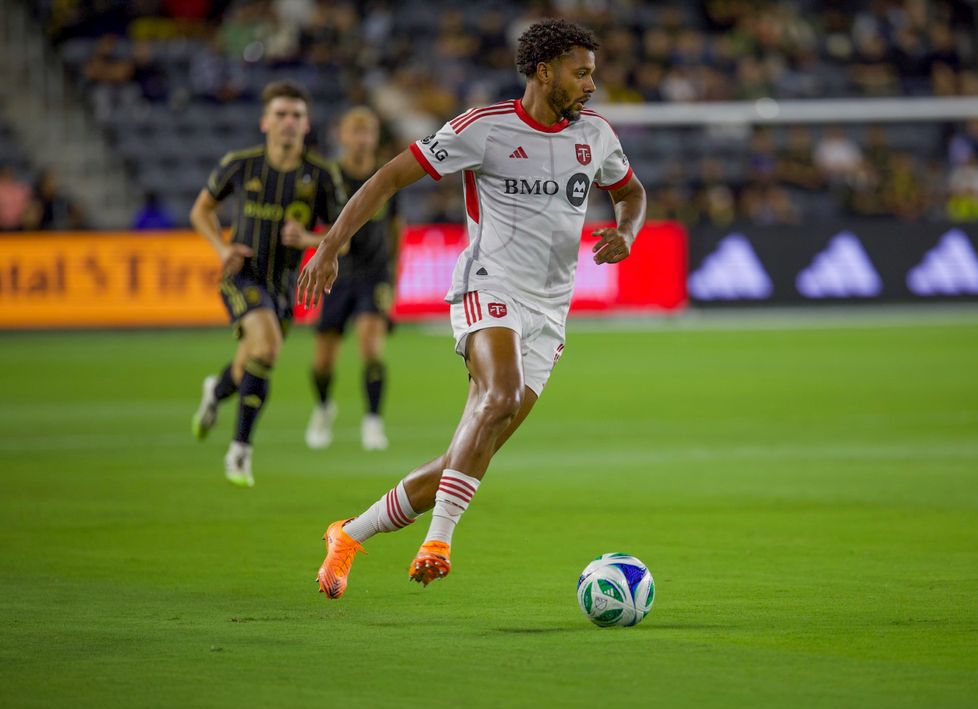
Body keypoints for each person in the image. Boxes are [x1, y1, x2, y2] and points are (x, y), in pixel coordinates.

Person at [298, 18, 646, 598]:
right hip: (490, 286)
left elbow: (630, 191)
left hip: (550, 311)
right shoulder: (484, 128)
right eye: (580, 72)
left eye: (593, 73)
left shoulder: (598, 136)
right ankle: (438, 542)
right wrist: (329, 245)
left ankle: (349, 534)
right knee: (500, 396)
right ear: (544, 71)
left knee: (466, 454)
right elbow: (387, 179)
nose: (590, 84)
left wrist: (628, 231)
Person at [189, 80, 346, 486]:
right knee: (268, 346)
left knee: (252, 362)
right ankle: (240, 451)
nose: (288, 122)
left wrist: (311, 240)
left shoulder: (322, 175)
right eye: (280, 114)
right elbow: (201, 211)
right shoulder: (241, 164)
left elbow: (342, 240)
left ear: (307, 124)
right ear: (265, 122)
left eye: (296, 115)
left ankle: (216, 390)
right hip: (241, 274)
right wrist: (221, 248)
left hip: (285, 285)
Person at [305, 106, 401, 451]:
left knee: (371, 350)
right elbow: (309, 229)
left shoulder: (388, 175)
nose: (361, 140)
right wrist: (325, 244)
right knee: (322, 362)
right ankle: (323, 407)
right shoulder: (328, 179)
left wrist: (393, 278)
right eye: (354, 132)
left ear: (375, 137)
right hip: (337, 277)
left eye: (368, 132)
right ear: (342, 136)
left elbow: (394, 227)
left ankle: (373, 422)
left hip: (374, 275)